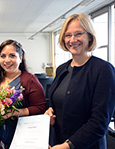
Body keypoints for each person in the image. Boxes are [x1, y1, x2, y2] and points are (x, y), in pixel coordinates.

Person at [44, 13, 115, 149]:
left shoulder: (104, 70)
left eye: (78, 34)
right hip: (59, 142)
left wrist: (68, 146)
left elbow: (99, 122)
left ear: (89, 36)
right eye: (68, 35)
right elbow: (57, 104)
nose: (72, 40)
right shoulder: (61, 69)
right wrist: (51, 112)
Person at [0, 39, 47, 149]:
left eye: (12, 56)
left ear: (21, 58)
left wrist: (13, 112)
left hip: (20, 136)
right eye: (3, 56)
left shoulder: (29, 80)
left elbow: (41, 107)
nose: (7, 60)